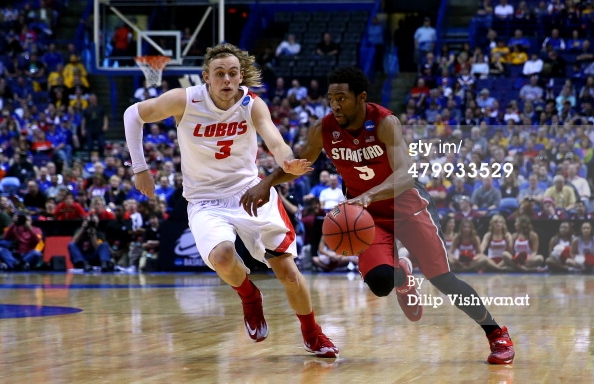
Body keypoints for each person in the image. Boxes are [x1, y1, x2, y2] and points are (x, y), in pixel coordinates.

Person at [240, 66, 515, 365]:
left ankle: (496, 333)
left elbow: (407, 174)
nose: (335, 104)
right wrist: (266, 183)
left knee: (443, 279)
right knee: (380, 283)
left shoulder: (385, 122)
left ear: (361, 98)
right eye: (331, 98)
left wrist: (369, 194)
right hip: (366, 217)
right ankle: (402, 277)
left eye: (342, 98)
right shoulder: (323, 129)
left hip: (406, 208)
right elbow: (299, 162)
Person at [123, 42, 338, 358]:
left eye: (233, 74)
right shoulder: (186, 99)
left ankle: (312, 333)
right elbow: (133, 114)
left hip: (251, 193)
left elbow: (274, 140)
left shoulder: (253, 104)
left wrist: (288, 161)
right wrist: (140, 168)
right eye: (219, 73)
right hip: (205, 199)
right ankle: (250, 296)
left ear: (241, 77)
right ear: (206, 77)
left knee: (288, 272)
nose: (226, 80)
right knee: (223, 256)